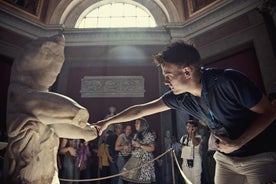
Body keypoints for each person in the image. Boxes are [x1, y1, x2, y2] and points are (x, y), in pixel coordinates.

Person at [95, 40, 276, 184]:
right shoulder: (181, 97)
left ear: (187, 71)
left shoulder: (228, 81)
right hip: (226, 160)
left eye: (168, 75)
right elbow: (139, 110)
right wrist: (106, 122)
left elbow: (270, 112)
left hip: (259, 157)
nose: (166, 81)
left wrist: (238, 142)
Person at [122, 118, 155, 184]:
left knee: (143, 181)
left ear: (142, 125)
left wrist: (140, 145)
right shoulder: (136, 135)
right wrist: (128, 149)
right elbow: (134, 148)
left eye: (137, 123)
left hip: (145, 164)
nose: (135, 124)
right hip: (135, 162)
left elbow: (152, 148)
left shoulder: (148, 134)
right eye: (135, 123)